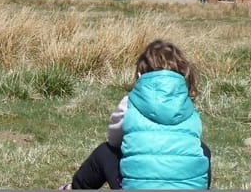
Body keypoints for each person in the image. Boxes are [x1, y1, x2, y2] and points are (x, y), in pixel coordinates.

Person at [64, 39, 211, 190]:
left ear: (140, 75)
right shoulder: (187, 106)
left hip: (136, 186)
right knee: (202, 150)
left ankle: (76, 188)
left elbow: (114, 140)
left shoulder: (129, 103)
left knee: (106, 152)